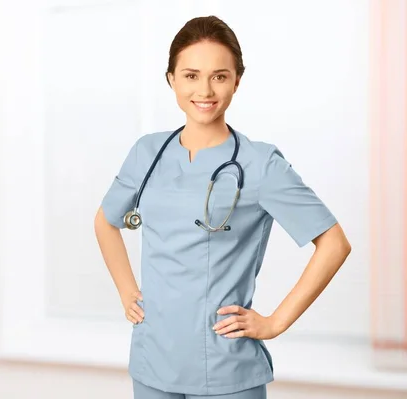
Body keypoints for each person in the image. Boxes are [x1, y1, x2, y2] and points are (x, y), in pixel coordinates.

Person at [94, 15, 351, 399]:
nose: (205, 89)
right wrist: (128, 292)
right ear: (172, 80)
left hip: (225, 365)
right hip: (153, 358)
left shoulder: (260, 165)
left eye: (219, 76)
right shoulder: (146, 153)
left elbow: (334, 243)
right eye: (191, 75)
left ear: (237, 81)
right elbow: (105, 221)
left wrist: (276, 322)